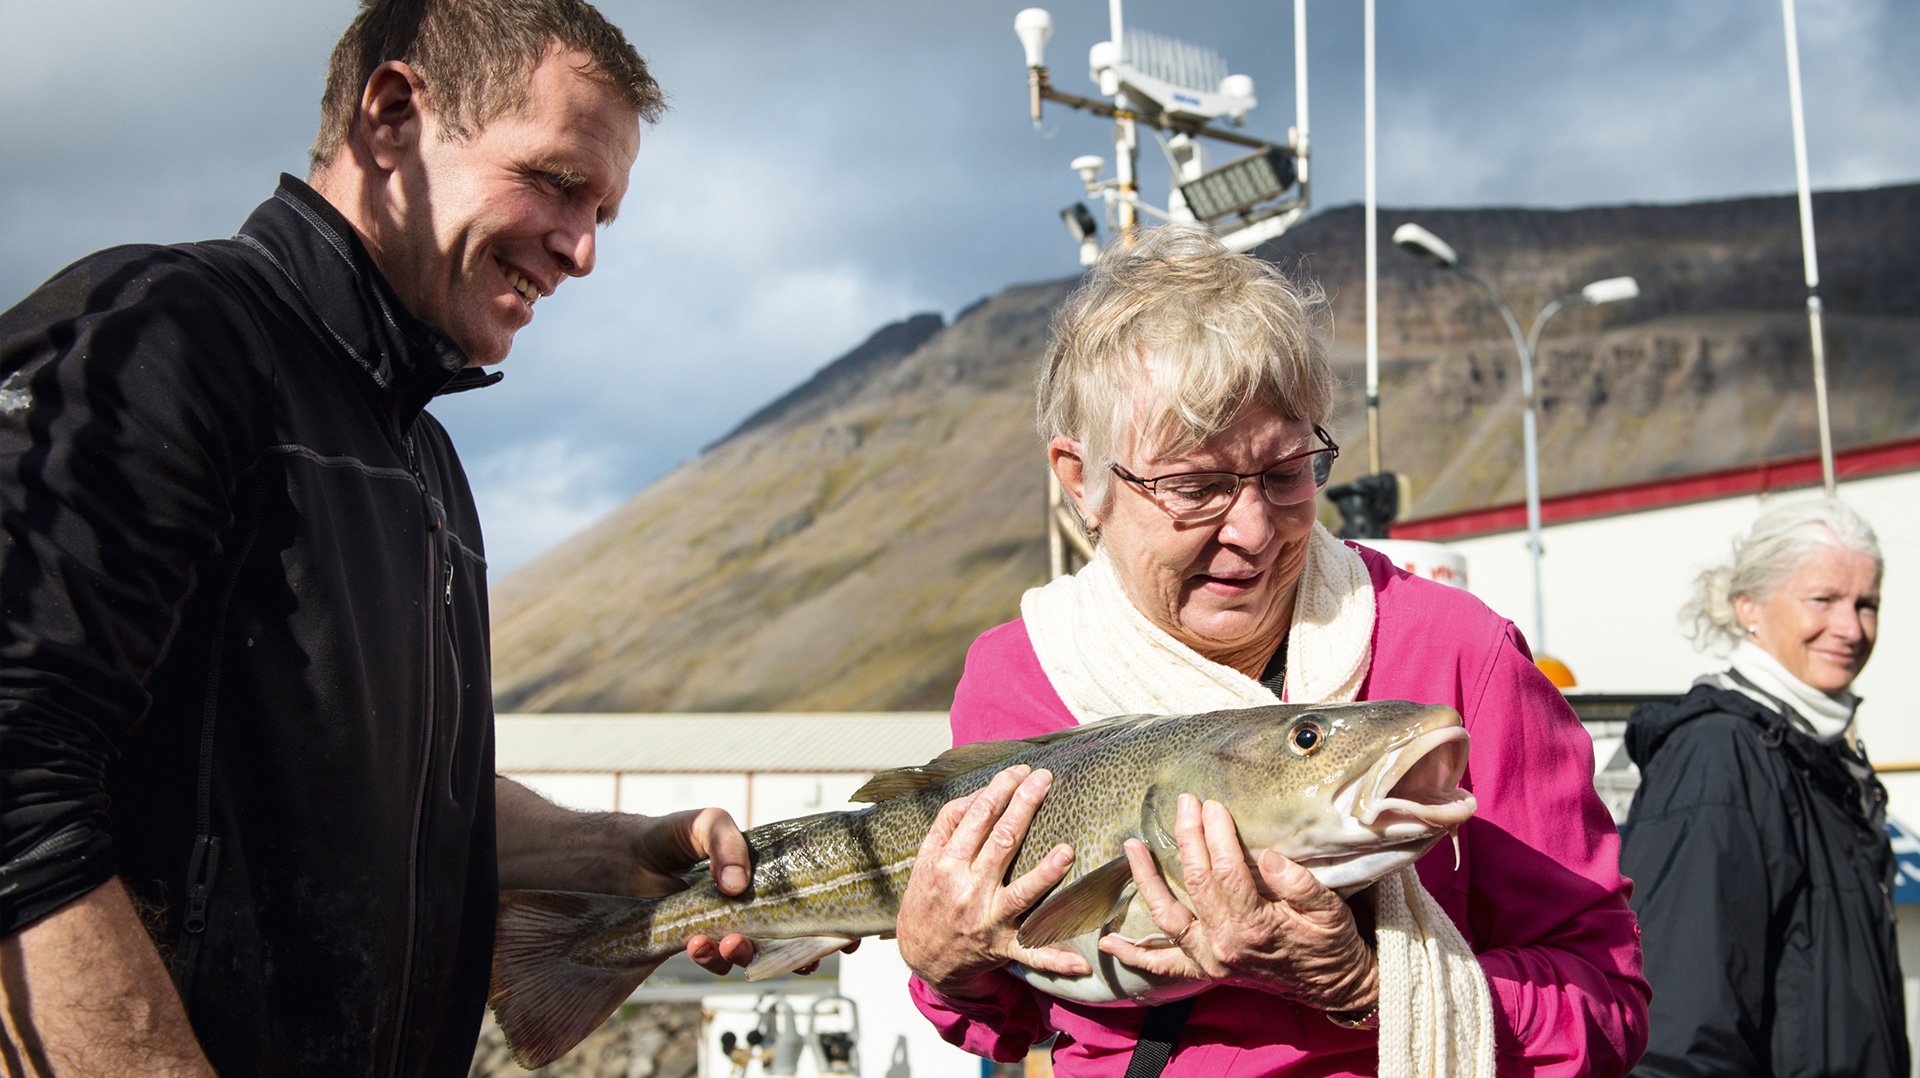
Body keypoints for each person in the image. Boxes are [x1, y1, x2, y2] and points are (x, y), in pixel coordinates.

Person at [0, 2, 759, 1074]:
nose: (583, 250)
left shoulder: (425, 463)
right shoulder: (157, 342)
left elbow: (376, 802)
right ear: (393, 116)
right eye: (554, 181)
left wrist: (607, 851)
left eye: (603, 211)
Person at [893, 224, 1649, 1076]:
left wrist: (1368, 985)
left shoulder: (1455, 657)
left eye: (1287, 473)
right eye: (1195, 486)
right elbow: (1010, 1016)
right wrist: (945, 965)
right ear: (1080, 478)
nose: (1253, 531)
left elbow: (1607, 1004)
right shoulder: (1020, 676)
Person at [1620, 497, 1907, 1076]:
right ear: (1747, 605)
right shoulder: (1720, 754)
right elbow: (1679, 1031)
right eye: (1823, 599)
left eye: (1866, 604)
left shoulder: (1818, 758)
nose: (1851, 628)